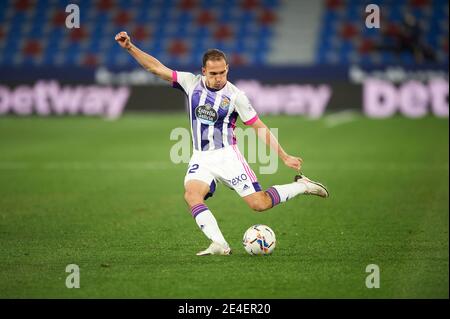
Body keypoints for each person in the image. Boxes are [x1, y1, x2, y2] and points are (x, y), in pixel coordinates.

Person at [115, 31, 329, 256]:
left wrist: (284, 156)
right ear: (204, 71)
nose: (219, 77)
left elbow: (259, 126)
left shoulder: (236, 96)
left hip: (228, 157)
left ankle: (302, 185)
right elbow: (155, 68)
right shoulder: (191, 83)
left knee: (259, 204)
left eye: (223, 72)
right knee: (191, 195)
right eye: (214, 73)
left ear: (227, 69)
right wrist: (130, 47)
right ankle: (219, 244)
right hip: (201, 157)